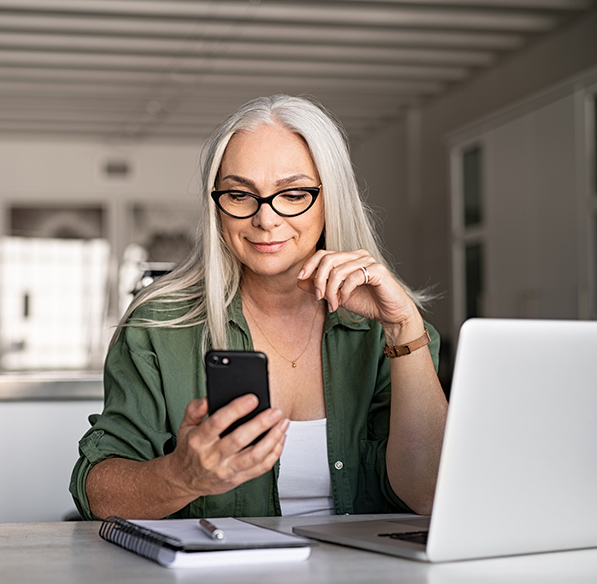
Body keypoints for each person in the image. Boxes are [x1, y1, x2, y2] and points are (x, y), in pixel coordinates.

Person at [70, 94, 448, 520]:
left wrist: (404, 329)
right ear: (217, 206)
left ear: (330, 199)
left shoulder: (392, 331)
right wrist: (181, 477)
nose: (265, 219)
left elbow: (430, 494)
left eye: (292, 194)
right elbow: (97, 493)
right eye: (239, 195)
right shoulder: (158, 325)